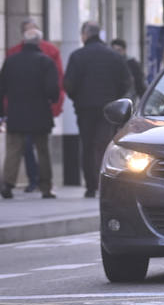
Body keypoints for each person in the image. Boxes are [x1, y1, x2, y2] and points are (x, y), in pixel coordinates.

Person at [63, 22, 131, 197]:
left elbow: (69, 84)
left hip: (85, 108)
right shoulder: (114, 56)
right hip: (109, 108)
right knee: (103, 145)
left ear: (85, 35)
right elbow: (125, 82)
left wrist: (78, 99)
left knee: (87, 145)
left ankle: (90, 186)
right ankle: (104, 183)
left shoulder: (77, 56)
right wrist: (114, 99)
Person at [4, 20, 63, 192]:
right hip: (40, 112)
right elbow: (53, 88)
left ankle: (7, 184)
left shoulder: (11, 60)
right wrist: (52, 102)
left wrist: (3, 111)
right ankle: (45, 187)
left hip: (16, 111)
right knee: (43, 150)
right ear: (39, 43)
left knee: (13, 149)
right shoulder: (46, 61)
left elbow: (2, 87)